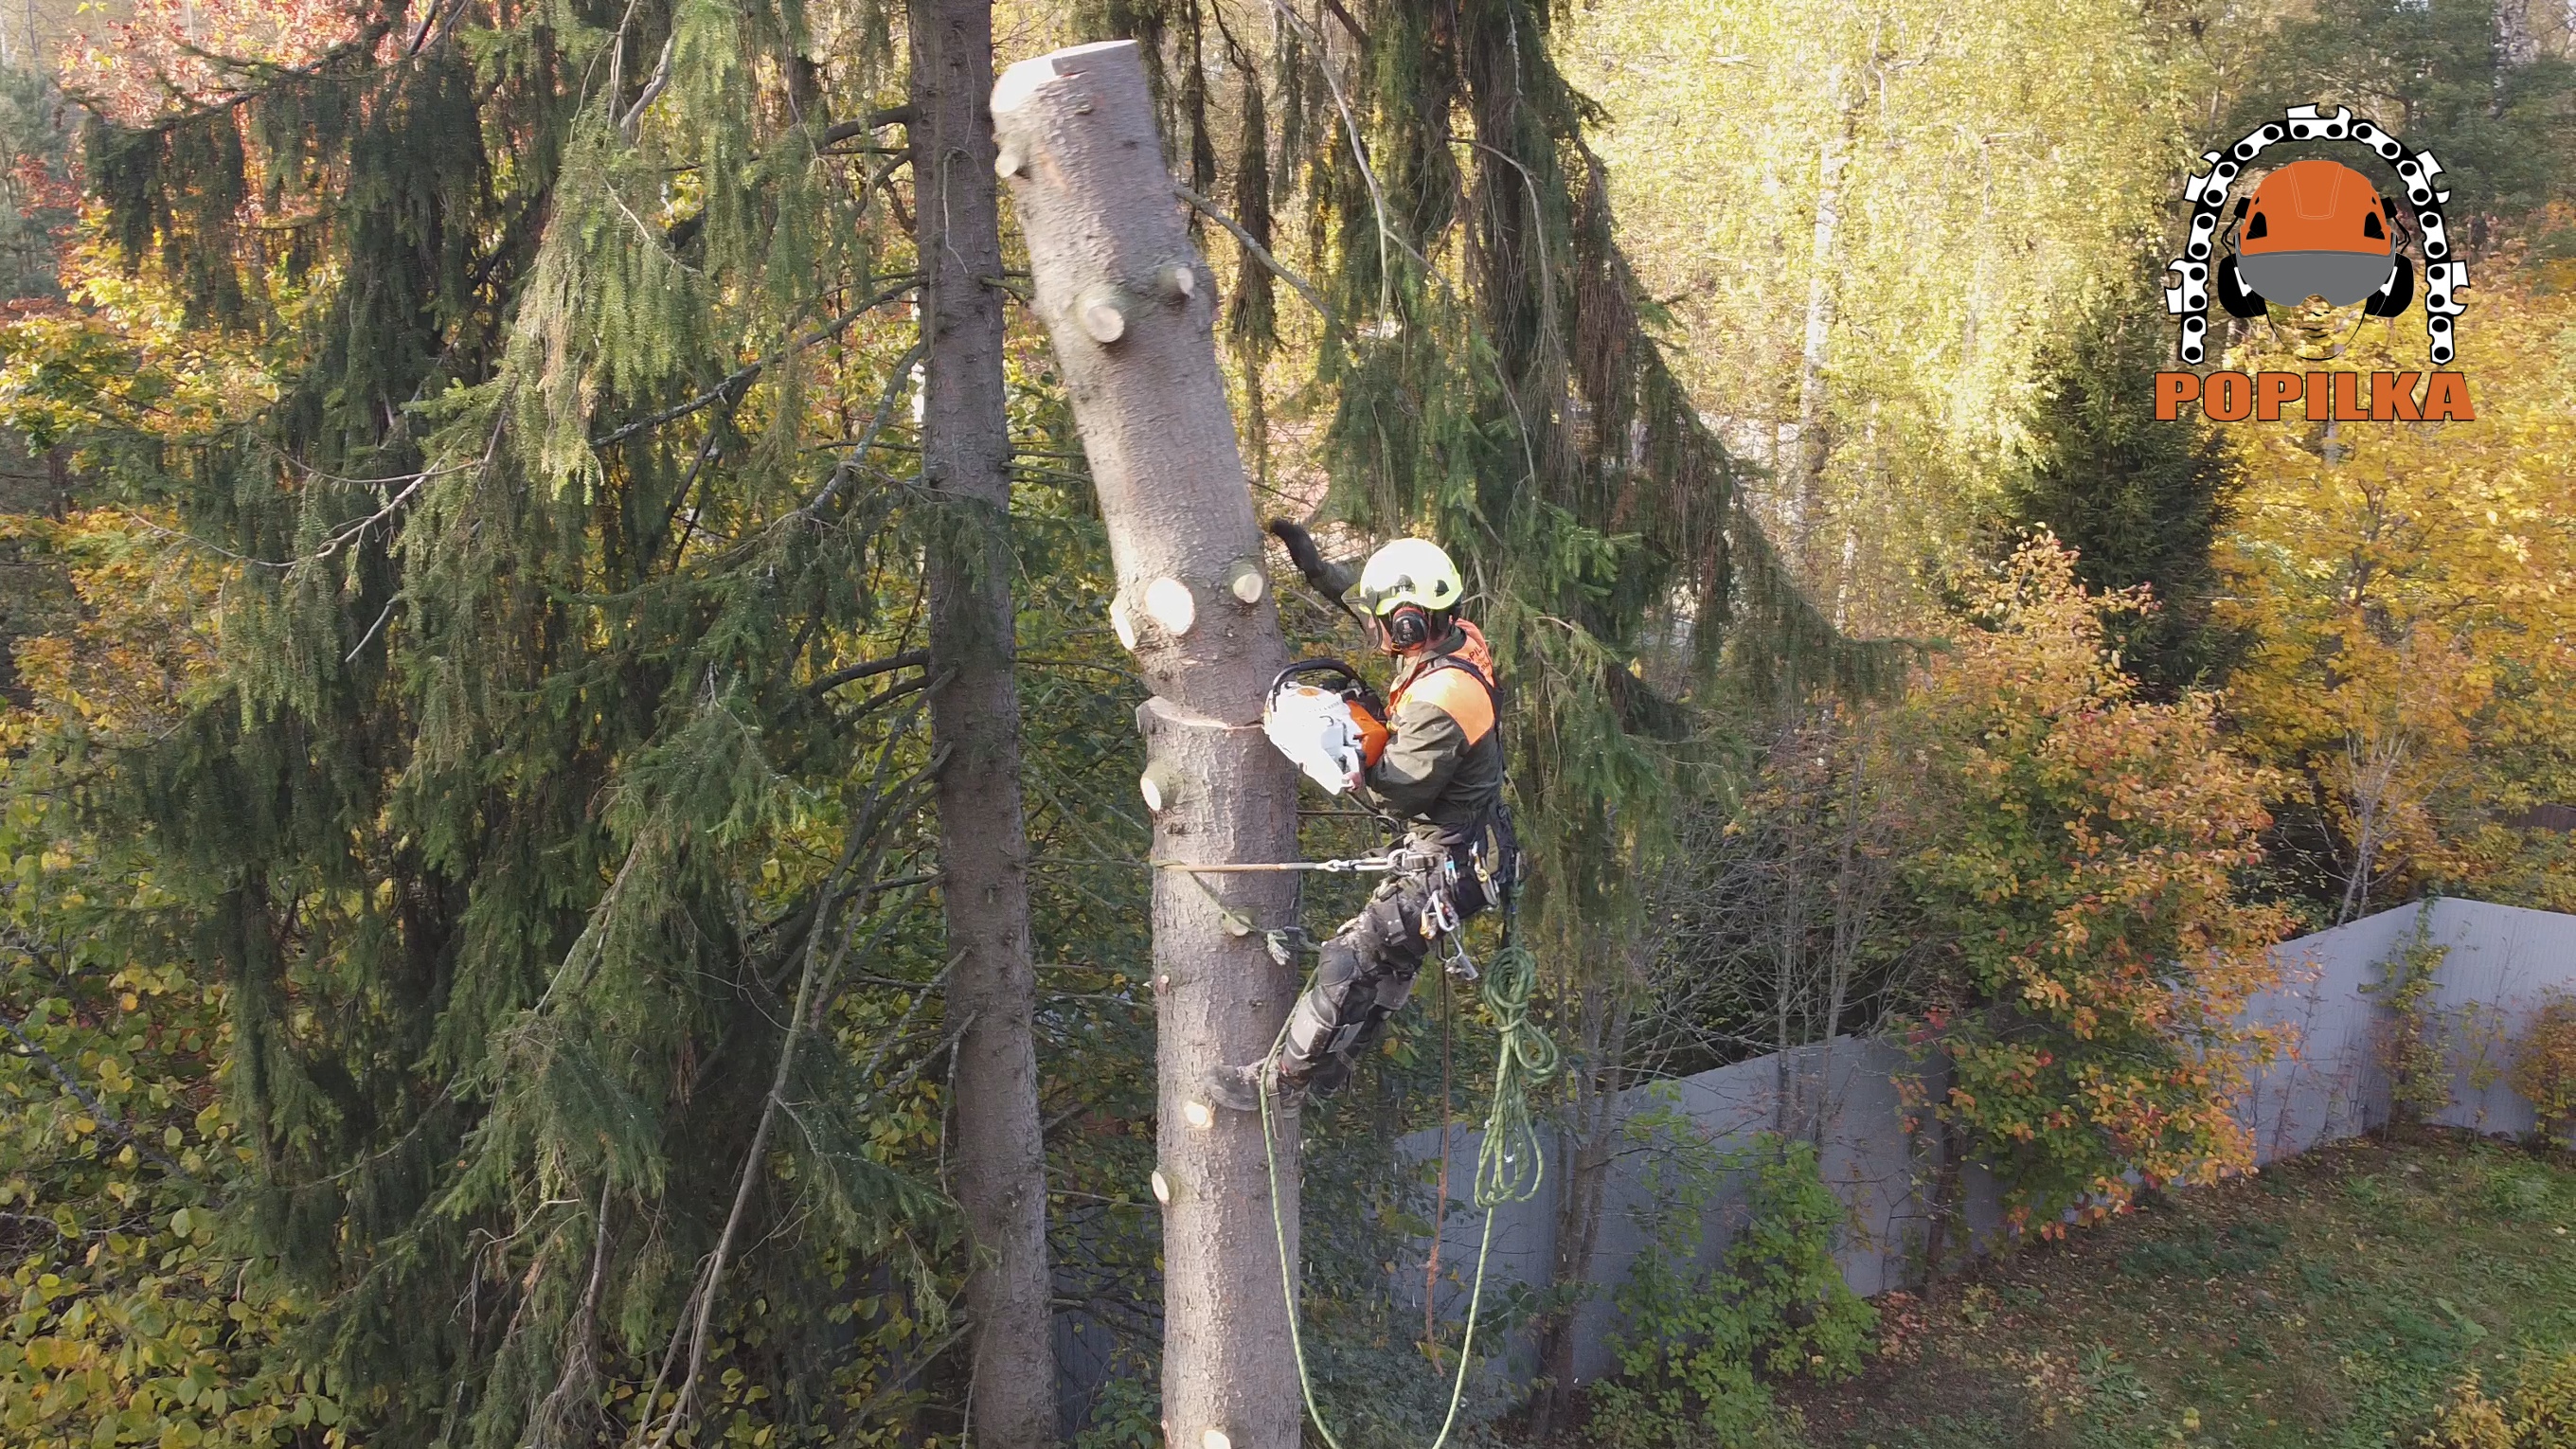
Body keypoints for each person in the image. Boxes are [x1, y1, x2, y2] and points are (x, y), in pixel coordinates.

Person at [1212, 526, 1515, 1110]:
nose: (1378, 632)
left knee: (1351, 958)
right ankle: (1332, 1069)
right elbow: (1372, 604)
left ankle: (1279, 1084)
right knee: (1390, 962)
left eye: (1387, 623)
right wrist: (1319, 571)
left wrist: (1341, 754)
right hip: (1472, 849)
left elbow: (1395, 795)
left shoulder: (1444, 698)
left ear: (1409, 624)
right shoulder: (1450, 636)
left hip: (1452, 858)